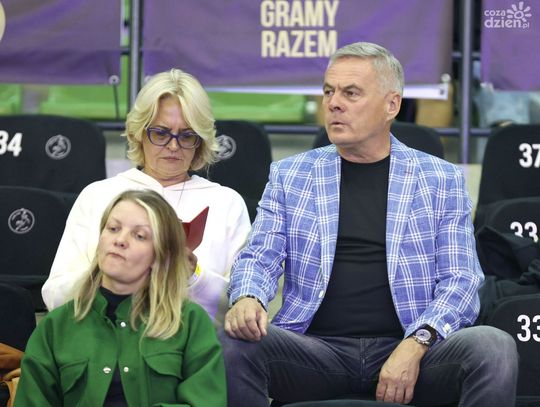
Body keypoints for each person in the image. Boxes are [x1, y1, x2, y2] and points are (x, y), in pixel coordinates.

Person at [220, 42, 519, 406]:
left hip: (413, 350)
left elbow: (462, 280)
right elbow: (258, 257)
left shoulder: (440, 179)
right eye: (328, 91)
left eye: (351, 93)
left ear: (391, 105)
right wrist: (248, 297)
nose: (333, 103)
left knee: (493, 347)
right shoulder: (291, 175)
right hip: (315, 351)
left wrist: (417, 343)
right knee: (234, 342)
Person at [42, 68, 251, 322]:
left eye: (187, 136)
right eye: (161, 133)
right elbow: (54, 298)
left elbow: (237, 311)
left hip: (192, 340)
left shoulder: (226, 203)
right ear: (139, 133)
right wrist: (106, 271)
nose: (173, 146)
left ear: (201, 142)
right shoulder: (97, 195)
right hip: (104, 336)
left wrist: (193, 275)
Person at [15, 189, 227, 406]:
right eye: (113, 228)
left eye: (139, 235)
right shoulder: (55, 326)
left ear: (160, 255)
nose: (120, 240)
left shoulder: (190, 322)